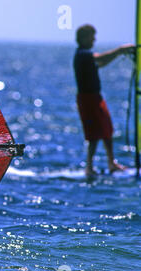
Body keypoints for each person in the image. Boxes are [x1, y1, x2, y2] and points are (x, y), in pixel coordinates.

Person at [73, 24, 134, 176]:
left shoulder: (87, 55)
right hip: (87, 99)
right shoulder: (82, 54)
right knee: (93, 134)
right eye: (92, 36)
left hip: (96, 97)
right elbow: (99, 58)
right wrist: (120, 50)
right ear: (83, 38)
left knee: (107, 129)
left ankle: (111, 162)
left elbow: (101, 62)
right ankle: (89, 167)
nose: (94, 39)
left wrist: (119, 54)